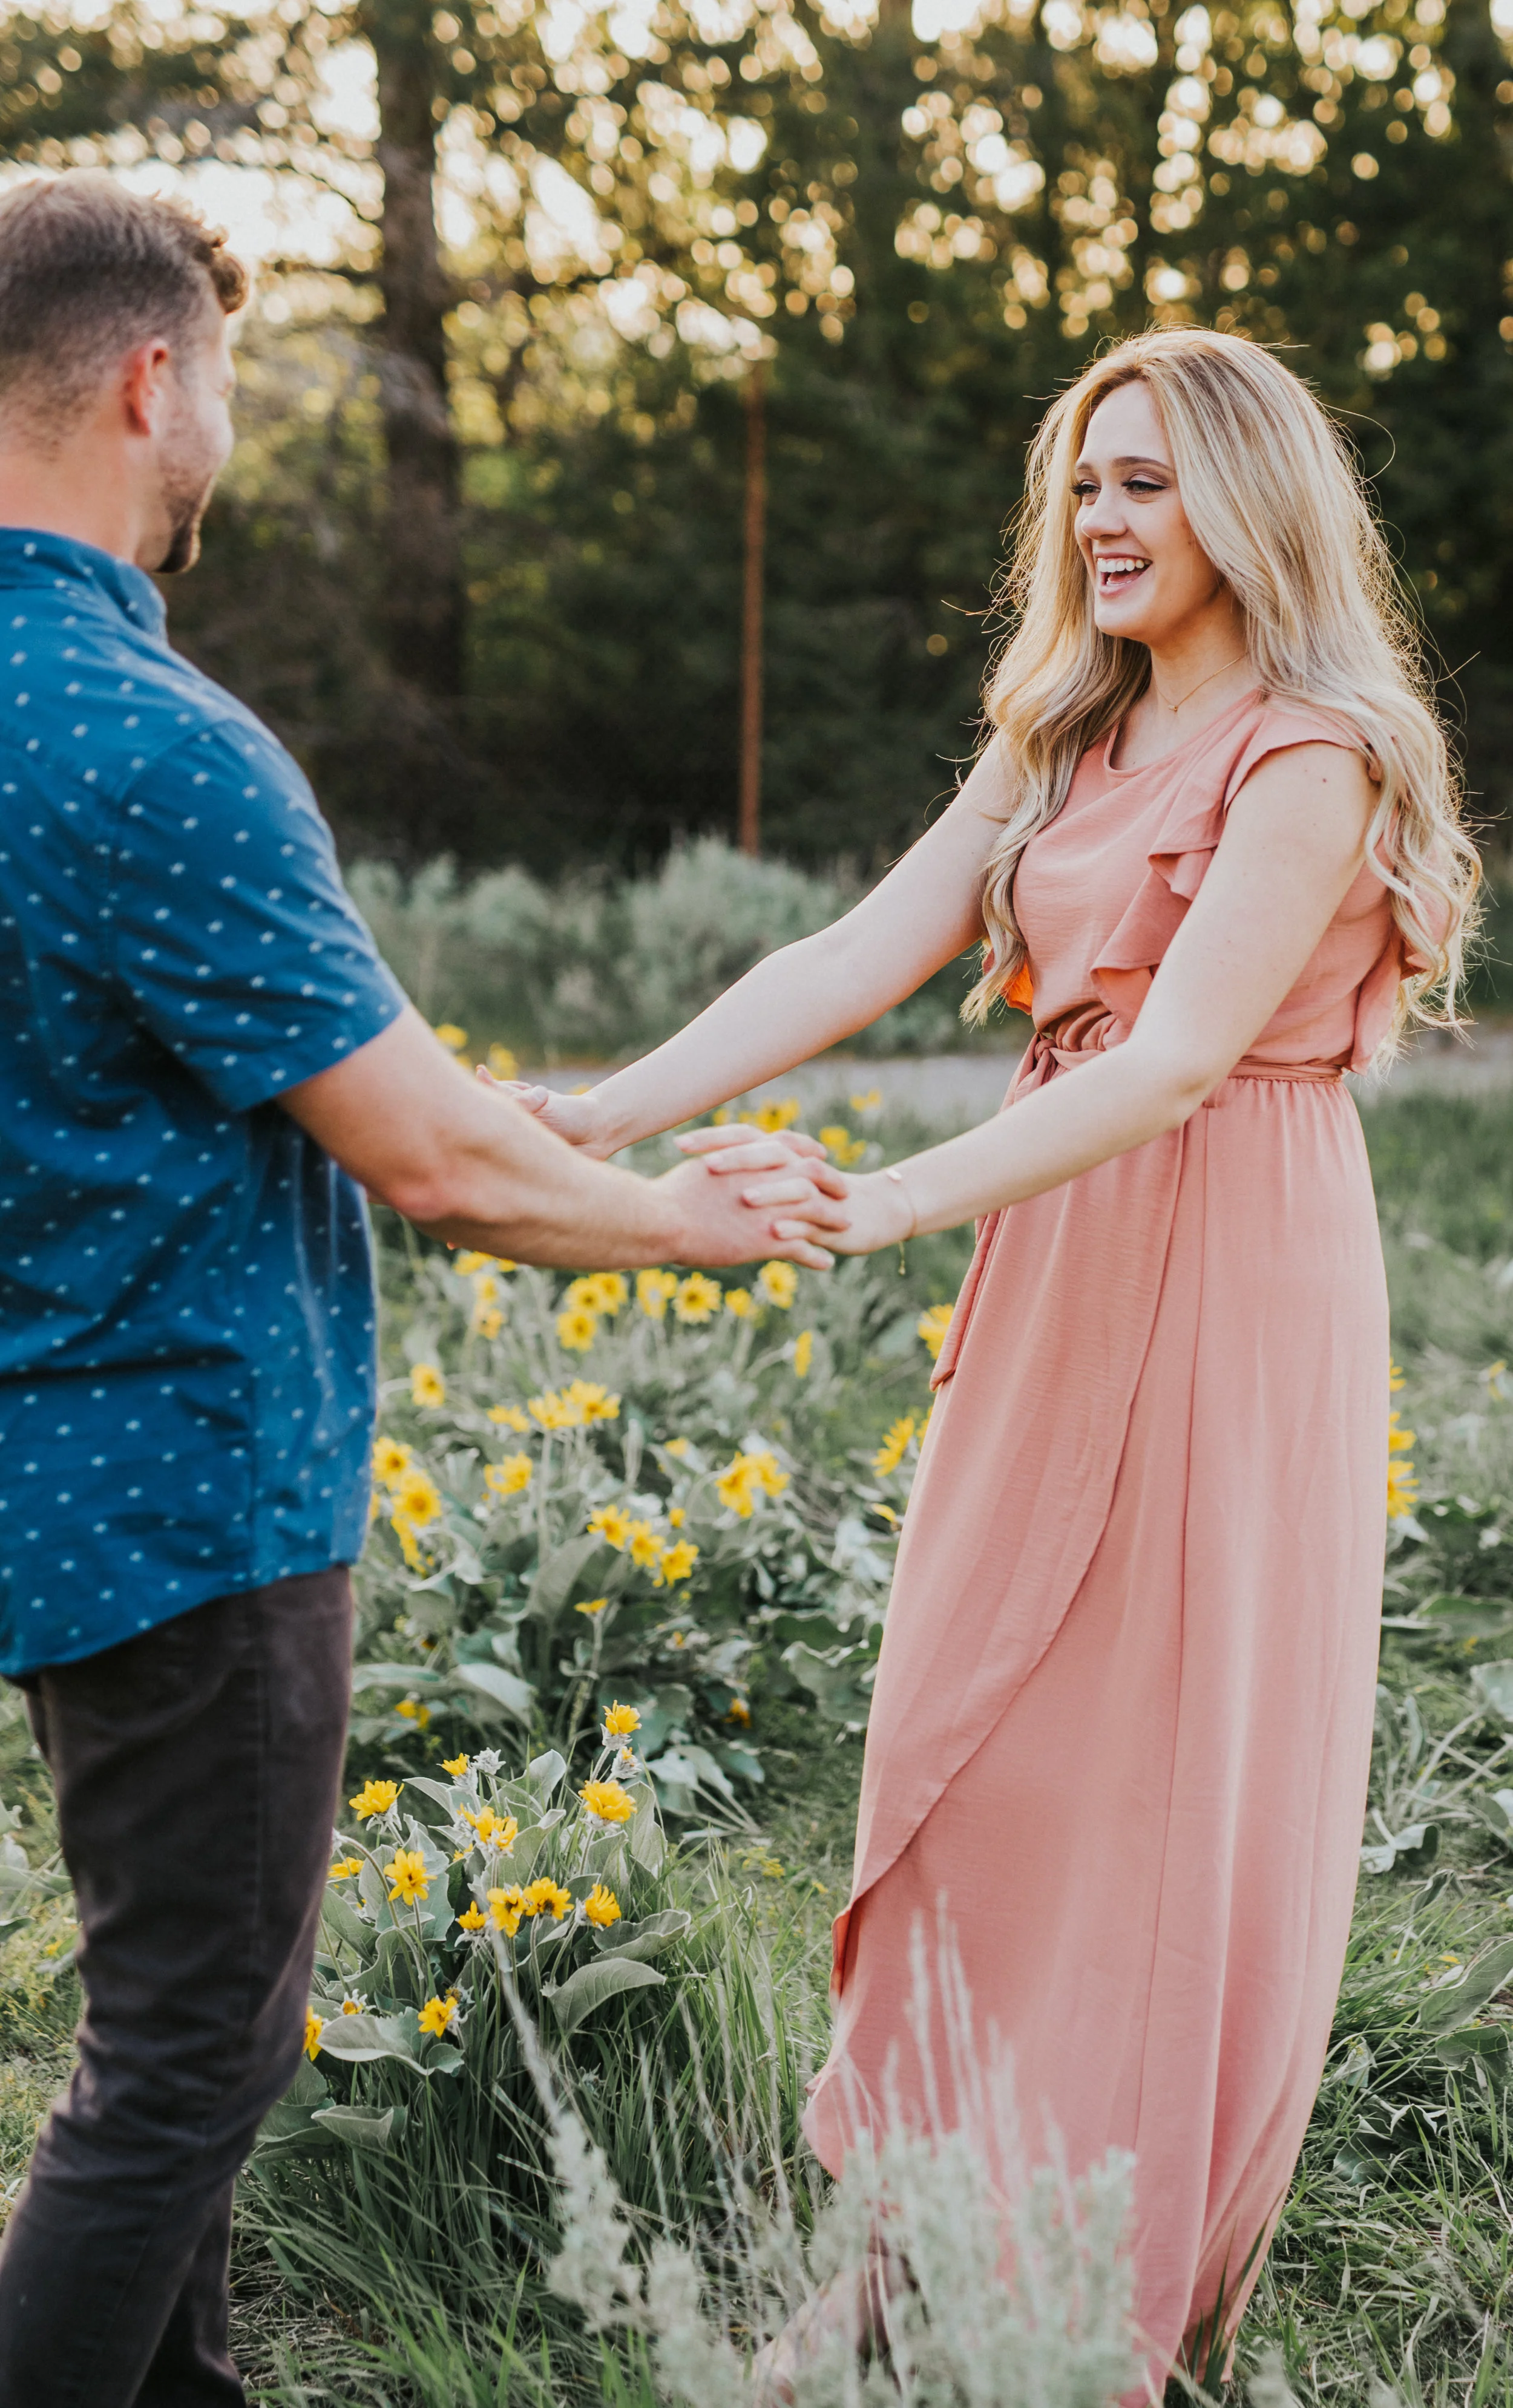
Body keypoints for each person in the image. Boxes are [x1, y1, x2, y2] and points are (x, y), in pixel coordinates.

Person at [502, 327, 1479, 2393]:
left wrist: (872, 1197)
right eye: (1083, 487)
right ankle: (901, 2249)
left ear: (1248, 499)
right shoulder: (1066, 734)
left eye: (1144, 483)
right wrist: (592, 1109)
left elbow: (1188, 1052)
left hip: (1221, 1257)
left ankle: (1128, 2288)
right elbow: (851, 950)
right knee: (975, 1737)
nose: (1101, 522)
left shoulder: (1314, 748)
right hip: (1051, 1250)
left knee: (1151, 1773)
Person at [0, 172, 844, 2408]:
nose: (233, 435)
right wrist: (711, 1217)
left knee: (164, 2016)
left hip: (45, 1470)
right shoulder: (142, 737)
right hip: (188, 1490)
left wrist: (562, 1116)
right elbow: (439, 1171)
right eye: (235, 385)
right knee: (191, 2055)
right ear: (153, 380)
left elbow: (317, 1082)